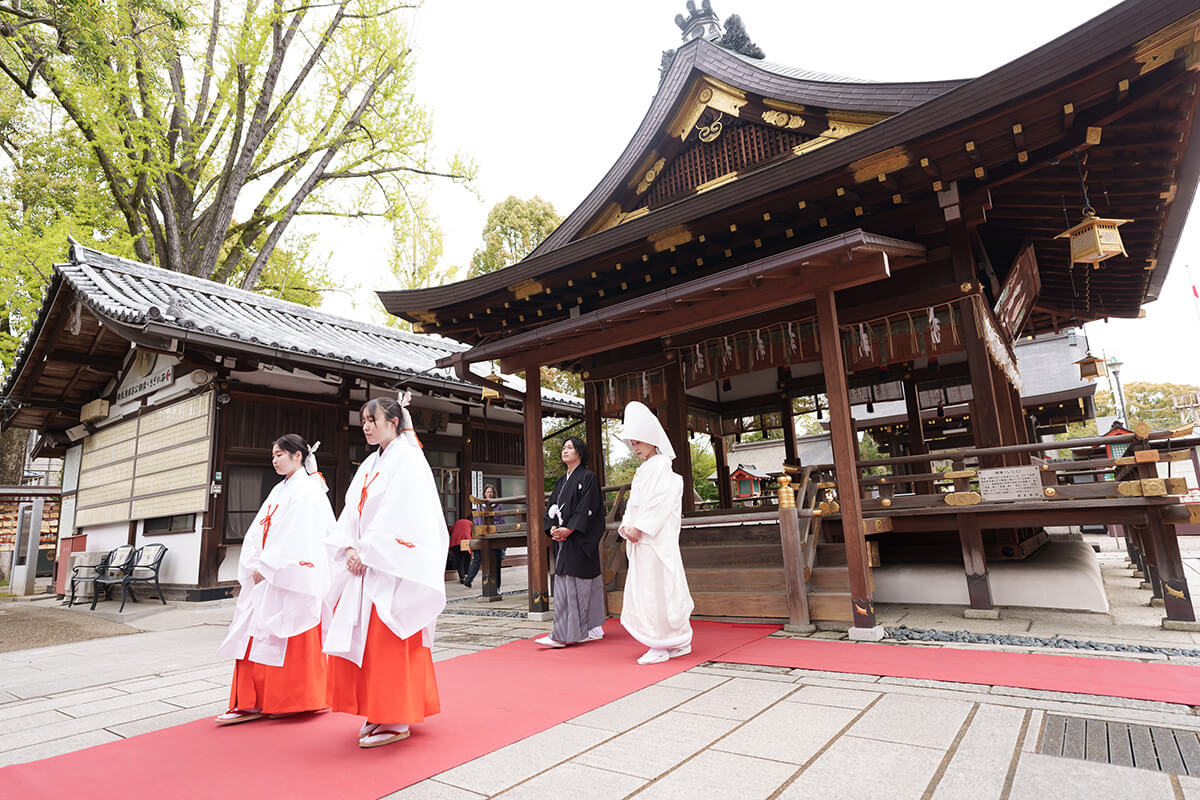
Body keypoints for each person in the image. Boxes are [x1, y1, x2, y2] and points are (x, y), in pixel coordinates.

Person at [324, 394, 447, 748]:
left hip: (392, 568)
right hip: (365, 566)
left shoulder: (408, 458)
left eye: (372, 419)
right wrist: (349, 546)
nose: (366, 426)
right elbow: (351, 510)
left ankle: (396, 715)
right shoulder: (368, 465)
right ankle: (377, 710)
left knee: (388, 639)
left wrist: (369, 551)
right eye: (363, 420)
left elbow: (402, 512)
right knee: (366, 641)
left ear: (394, 422)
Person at [215, 434, 334, 724]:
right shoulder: (279, 490)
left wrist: (270, 565)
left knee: (285, 629)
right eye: (273, 455)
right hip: (267, 574)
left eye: (280, 454)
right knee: (254, 633)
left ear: (298, 456)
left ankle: (293, 697)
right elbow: (260, 529)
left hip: (289, 575)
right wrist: (256, 562)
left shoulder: (307, 489)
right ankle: (251, 699)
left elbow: (301, 535)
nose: (275, 459)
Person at [617, 402, 694, 665]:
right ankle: (673, 640)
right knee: (653, 589)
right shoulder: (645, 468)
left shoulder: (661, 465)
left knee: (659, 589)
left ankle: (663, 643)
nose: (635, 447)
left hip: (654, 538)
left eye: (639, 442)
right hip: (643, 539)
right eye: (633, 443)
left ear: (652, 440)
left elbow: (660, 501)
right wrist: (627, 525)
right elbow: (634, 504)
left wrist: (640, 527)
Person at [535, 436, 606, 648]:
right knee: (572, 584)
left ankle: (566, 633)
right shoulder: (561, 481)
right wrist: (553, 528)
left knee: (580, 584)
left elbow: (588, 508)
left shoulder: (589, 477)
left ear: (580, 453)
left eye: (570, 447)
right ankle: (589, 627)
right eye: (564, 447)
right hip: (564, 539)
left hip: (579, 538)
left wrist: (571, 528)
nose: (565, 451)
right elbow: (551, 507)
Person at [465, 484, 506, 589]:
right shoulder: (479, 506)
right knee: (479, 559)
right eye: (488, 492)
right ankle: (471, 581)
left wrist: (492, 525)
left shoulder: (499, 506)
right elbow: (477, 520)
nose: (490, 494)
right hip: (481, 535)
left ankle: (497, 587)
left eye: (491, 492)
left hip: (494, 535)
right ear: (484, 493)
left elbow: (502, 520)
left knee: (496, 562)